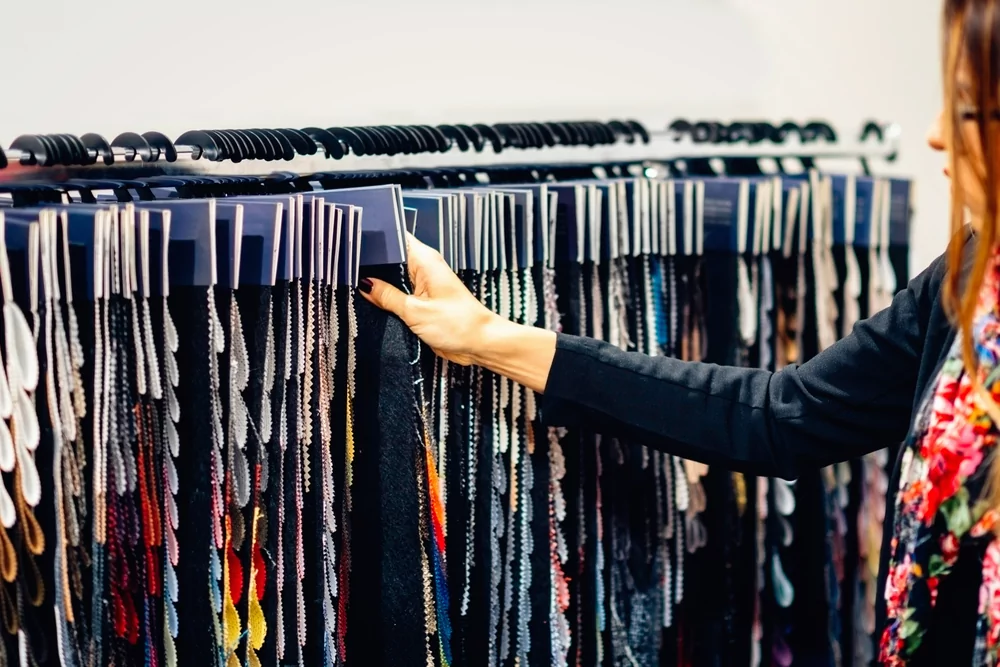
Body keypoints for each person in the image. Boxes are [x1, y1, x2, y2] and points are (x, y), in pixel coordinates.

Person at [359, 2, 1000, 664]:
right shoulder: (970, 282)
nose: (933, 134)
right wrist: (487, 336)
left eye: (963, 105)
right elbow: (781, 416)